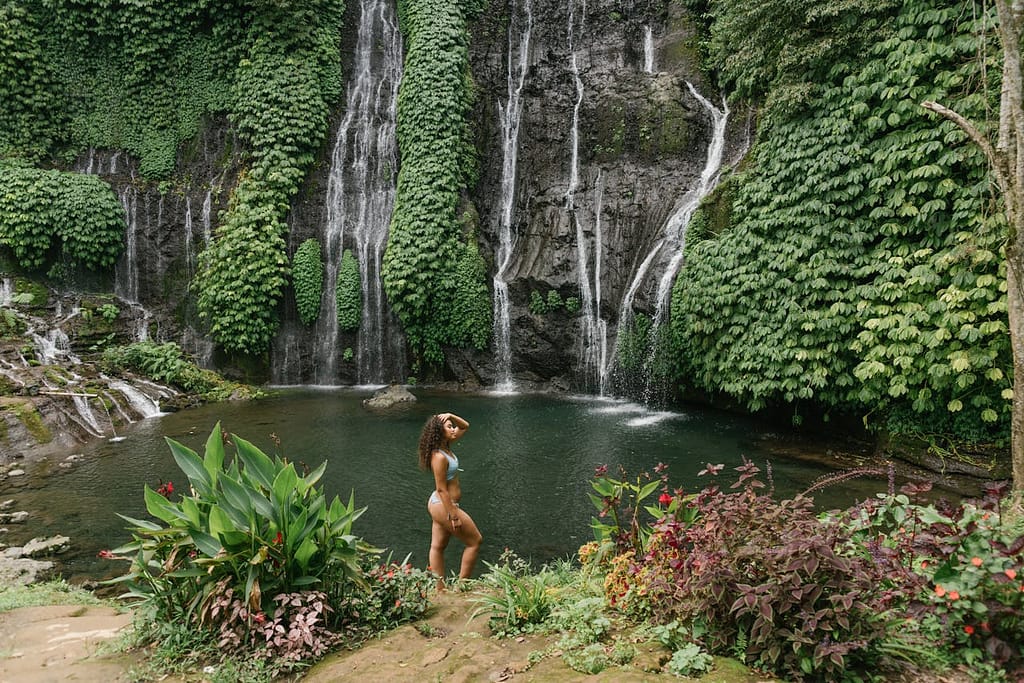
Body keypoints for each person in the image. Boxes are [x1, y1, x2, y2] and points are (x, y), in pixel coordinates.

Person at [418, 411, 482, 588]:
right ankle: (462, 586)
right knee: (475, 541)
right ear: (439, 432)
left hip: (442, 504)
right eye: (449, 427)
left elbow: (465, 426)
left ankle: (440, 590)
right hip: (443, 504)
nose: (453, 429)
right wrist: (453, 515)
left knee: (438, 546)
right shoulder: (438, 457)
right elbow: (441, 489)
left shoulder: (446, 446)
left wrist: (450, 416)